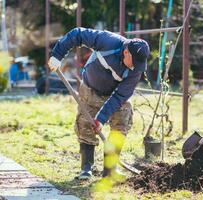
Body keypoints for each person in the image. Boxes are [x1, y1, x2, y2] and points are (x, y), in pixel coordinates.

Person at [48, 27, 150, 180]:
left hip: (115, 96)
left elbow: (121, 95)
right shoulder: (108, 41)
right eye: (134, 62)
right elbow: (78, 34)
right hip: (90, 89)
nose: (136, 66)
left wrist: (101, 118)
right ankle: (86, 168)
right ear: (126, 52)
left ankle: (110, 170)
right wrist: (57, 55)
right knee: (85, 124)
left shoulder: (136, 70)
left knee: (122, 123)